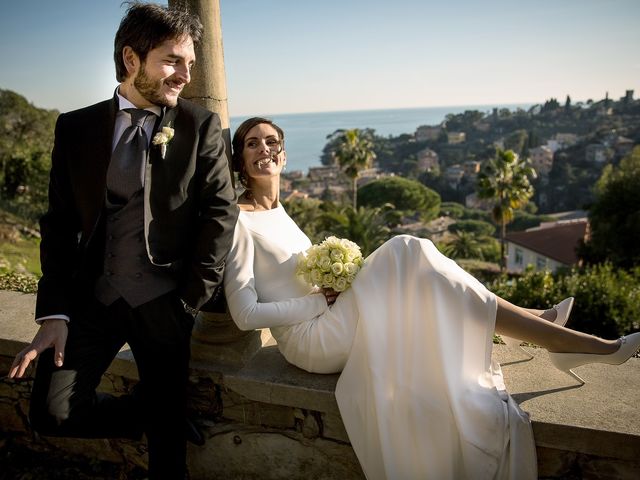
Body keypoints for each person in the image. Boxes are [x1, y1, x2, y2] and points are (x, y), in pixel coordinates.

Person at [223, 117, 640, 480]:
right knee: (407, 250)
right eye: (252, 143)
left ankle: (542, 328)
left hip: (327, 317)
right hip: (308, 341)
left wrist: (338, 285)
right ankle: (574, 342)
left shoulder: (282, 211)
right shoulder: (240, 222)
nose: (264, 149)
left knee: (412, 260)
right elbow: (244, 314)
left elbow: (300, 281)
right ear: (240, 160)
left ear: (284, 154)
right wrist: (318, 302)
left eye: (272, 142)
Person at [8, 3, 238, 478]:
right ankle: (152, 412)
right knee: (53, 413)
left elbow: (220, 213)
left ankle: (165, 421)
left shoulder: (199, 126)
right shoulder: (75, 127)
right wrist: (54, 312)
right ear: (132, 59)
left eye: (191, 64)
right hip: (93, 299)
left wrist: (191, 300)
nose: (184, 76)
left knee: (168, 456)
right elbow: (59, 222)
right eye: (173, 60)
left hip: (166, 300)